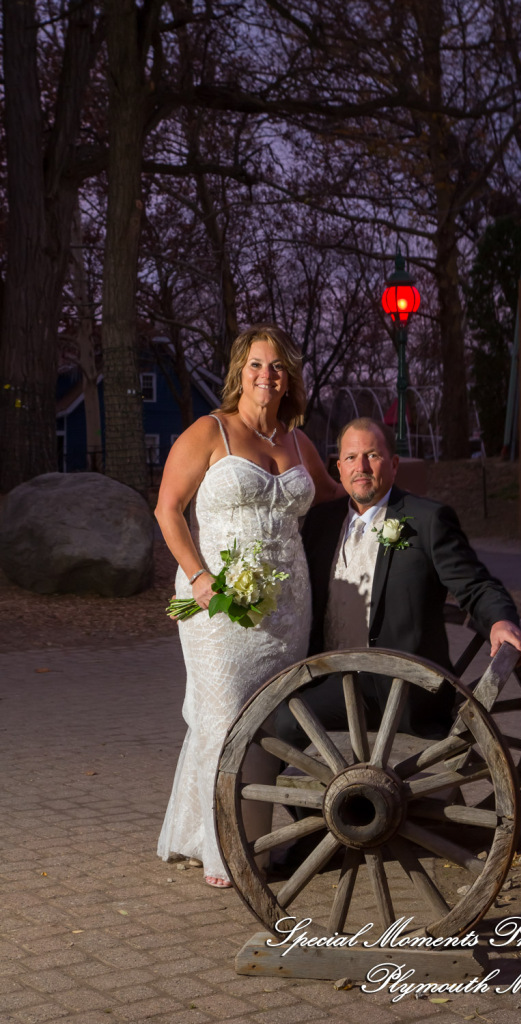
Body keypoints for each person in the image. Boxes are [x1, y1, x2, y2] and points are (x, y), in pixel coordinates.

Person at [155, 324, 341, 888]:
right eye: (257, 364)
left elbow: (333, 494)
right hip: (219, 603)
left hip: (287, 607)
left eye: (278, 366)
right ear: (240, 371)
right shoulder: (209, 431)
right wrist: (199, 576)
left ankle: (234, 832)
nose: (267, 375)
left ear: (289, 378)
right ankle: (224, 852)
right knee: (222, 715)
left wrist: (385, 500)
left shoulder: (298, 442)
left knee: (267, 719)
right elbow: (168, 508)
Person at [276, 417, 521, 744]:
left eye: (373, 455)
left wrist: (500, 621)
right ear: (339, 468)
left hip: (398, 688)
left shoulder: (427, 520)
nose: (361, 467)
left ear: (394, 465)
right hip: (327, 676)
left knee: (285, 721)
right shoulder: (321, 522)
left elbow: (476, 585)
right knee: (273, 707)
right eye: (351, 457)